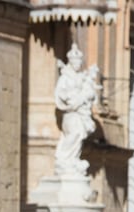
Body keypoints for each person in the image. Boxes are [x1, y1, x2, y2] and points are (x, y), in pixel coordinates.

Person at [54, 43, 99, 176]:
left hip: (80, 112)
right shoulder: (65, 77)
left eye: (80, 61)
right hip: (71, 112)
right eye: (76, 61)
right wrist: (71, 98)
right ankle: (64, 159)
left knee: (79, 135)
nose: (78, 64)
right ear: (71, 62)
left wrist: (86, 95)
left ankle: (70, 161)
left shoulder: (81, 77)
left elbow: (89, 90)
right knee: (74, 134)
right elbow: (60, 93)